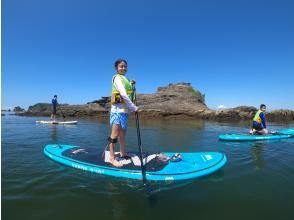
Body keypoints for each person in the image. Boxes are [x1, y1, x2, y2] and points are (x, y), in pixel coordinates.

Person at [107, 59, 138, 167]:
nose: (124, 68)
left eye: (125, 66)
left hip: (124, 112)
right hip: (117, 111)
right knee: (114, 135)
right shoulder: (117, 78)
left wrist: (132, 84)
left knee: (122, 135)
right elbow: (123, 94)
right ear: (117, 68)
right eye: (121, 66)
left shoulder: (126, 79)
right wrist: (133, 107)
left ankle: (123, 153)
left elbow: (129, 93)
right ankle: (112, 158)